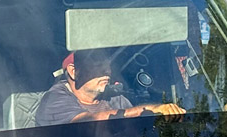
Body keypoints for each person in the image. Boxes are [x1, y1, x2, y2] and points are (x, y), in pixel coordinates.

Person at [35, 49, 186, 126]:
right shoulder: (54, 100)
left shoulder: (114, 98)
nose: (108, 72)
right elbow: (88, 122)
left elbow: (134, 126)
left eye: (108, 66)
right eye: (98, 67)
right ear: (74, 72)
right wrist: (152, 110)